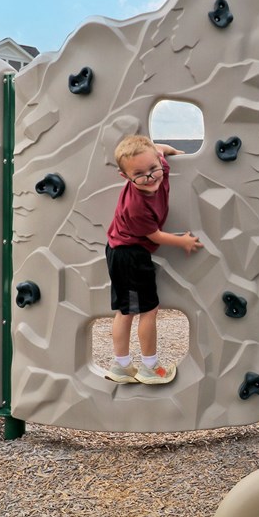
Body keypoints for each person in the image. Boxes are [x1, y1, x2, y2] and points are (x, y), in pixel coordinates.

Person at [104, 135, 203, 385]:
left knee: (127, 310)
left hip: (125, 251)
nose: (149, 177)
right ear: (124, 177)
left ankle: (123, 366)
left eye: (152, 169)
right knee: (143, 311)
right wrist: (183, 242)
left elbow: (159, 149)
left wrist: (173, 151)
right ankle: (147, 368)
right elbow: (154, 235)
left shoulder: (160, 166)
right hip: (130, 255)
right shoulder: (136, 205)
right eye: (139, 173)